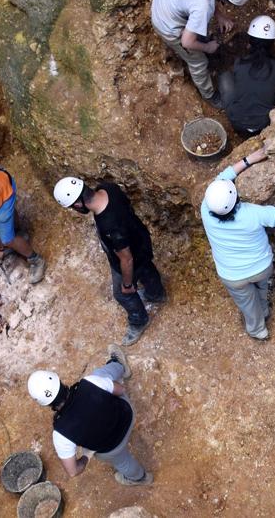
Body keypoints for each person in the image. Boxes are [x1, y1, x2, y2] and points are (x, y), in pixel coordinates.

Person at [199, 147, 275, 340]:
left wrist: (249, 160)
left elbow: (221, 180)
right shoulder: (253, 213)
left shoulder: (206, 210)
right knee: (262, 288)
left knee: (246, 303)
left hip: (233, 275)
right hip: (261, 267)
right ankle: (264, 309)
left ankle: (258, 329)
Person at [52, 177, 167, 345]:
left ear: (77, 204)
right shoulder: (108, 188)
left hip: (130, 256)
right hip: (141, 240)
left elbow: (126, 259)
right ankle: (156, 293)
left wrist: (127, 285)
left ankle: (139, 320)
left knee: (121, 294)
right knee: (146, 266)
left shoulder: (109, 225)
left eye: (72, 207)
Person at [27, 344, 152, 486]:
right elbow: (121, 389)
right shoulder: (90, 383)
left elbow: (73, 471)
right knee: (100, 375)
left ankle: (142, 478)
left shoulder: (60, 434)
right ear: (59, 382)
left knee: (122, 461)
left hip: (111, 448)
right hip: (127, 416)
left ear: (44, 403)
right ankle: (119, 365)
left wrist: (86, 455)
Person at [150, 0, 254, 108]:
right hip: (165, 22)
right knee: (198, 62)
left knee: (197, 30)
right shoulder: (203, 6)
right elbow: (186, 42)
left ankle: (199, 40)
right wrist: (207, 47)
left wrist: (220, 16)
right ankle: (209, 95)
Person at [218, 15, 275, 136]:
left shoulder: (240, 62)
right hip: (264, 123)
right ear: (272, 42)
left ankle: (221, 103)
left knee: (225, 76)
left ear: (250, 41)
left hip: (238, 122)